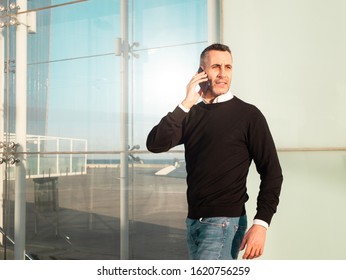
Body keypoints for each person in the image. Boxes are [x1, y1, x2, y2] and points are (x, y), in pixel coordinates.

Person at [146, 43, 283, 260]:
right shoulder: (191, 113)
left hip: (225, 223)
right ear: (201, 71)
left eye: (228, 67)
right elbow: (155, 144)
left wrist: (261, 224)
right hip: (193, 222)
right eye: (216, 66)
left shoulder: (248, 115)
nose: (222, 73)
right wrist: (186, 103)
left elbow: (272, 172)